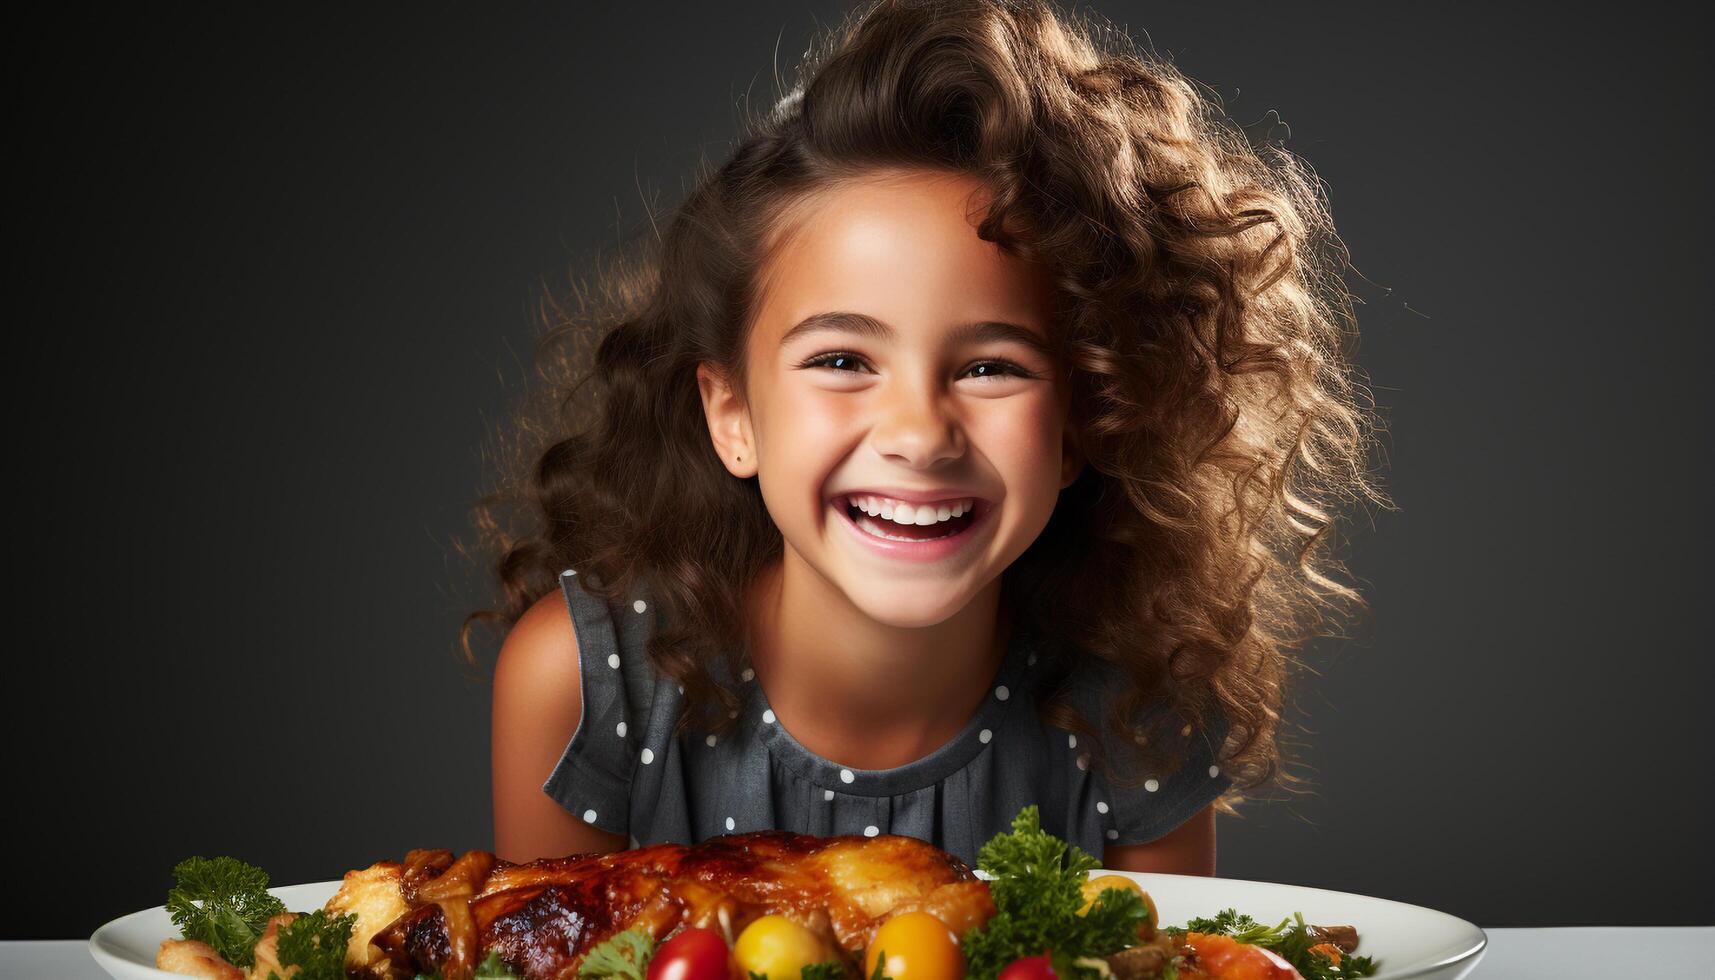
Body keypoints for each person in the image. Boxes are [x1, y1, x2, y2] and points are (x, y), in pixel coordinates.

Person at [467, 0, 1388, 876]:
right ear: (731, 416)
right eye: (840, 360)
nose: (918, 433)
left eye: (991, 367)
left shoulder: (1136, 713)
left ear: (1083, 425)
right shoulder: (583, 686)